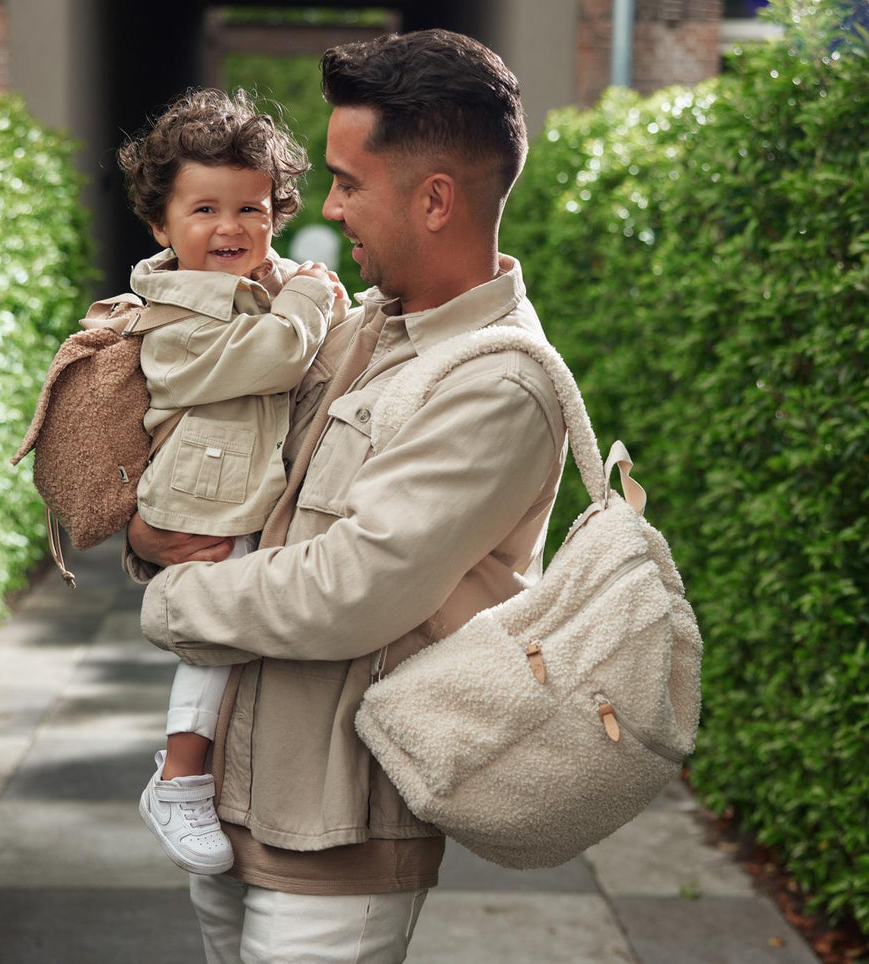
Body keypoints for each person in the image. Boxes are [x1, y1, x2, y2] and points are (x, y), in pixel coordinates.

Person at [128, 30, 567, 963]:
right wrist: (146, 529)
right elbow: (225, 467)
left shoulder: (496, 384)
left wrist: (170, 598)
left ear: (435, 198)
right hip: (230, 803)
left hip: (337, 831)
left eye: (346, 181)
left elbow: (349, 589)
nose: (324, 208)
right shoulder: (355, 325)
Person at [115, 88, 347, 876]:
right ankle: (178, 777)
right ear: (159, 226)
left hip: (242, 486)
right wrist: (313, 293)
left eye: (250, 209)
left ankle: (198, 776)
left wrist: (296, 288)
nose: (229, 229)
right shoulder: (170, 318)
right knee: (219, 638)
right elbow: (279, 353)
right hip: (204, 495)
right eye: (204, 210)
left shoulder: (264, 287)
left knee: (239, 640)